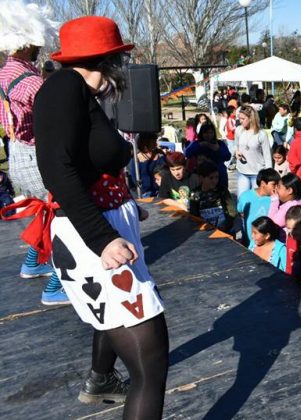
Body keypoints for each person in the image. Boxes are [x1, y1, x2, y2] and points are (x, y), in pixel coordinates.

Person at [33, 16, 168, 417]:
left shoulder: (82, 93)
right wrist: (104, 237)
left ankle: (101, 379)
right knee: (150, 366)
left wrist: (124, 207)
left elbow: (90, 164)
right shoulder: (63, 87)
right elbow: (56, 169)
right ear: (107, 58)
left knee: (141, 354)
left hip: (103, 227)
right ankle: (103, 379)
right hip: (91, 238)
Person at [0, 1, 65, 303]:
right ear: (27, 42)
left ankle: (33, 261)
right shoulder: (28, 79)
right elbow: (53, 108)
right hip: (33, 155)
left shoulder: (6, 72)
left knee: (44, 209)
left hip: (16, 154)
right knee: (69, 212)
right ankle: (59, 282)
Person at [234, 106, 272, 198]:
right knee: (242, 200)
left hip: (257, 173)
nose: (240, 121)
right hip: (242, 172)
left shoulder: (261, 134)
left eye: (243, 118)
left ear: (251, 118)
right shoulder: (239, 130)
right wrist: (236, 152)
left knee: (257, 200)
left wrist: (269, 176)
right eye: (239, 118)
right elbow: (235, 145)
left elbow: (267, 156)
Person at [188, 161, 235, 233]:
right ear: (201, 178)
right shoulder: (195, 194)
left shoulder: (222, 190)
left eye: (217, 177)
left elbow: (232, 211)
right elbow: (194, 216)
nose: (215, 181)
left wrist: (225, 226)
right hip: (206, 231)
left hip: (225, 229)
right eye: (211, 178)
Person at [184, 122, 231, 189]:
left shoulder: (220, 144)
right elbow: (187, 153)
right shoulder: (197, 143)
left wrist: (217, 149)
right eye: (206, 133)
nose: (208, 135)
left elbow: (227, 156)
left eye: (211, 133)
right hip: (202, 175)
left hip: (219, 174)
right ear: (201, 134)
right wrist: (200, 145)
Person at [236, 168, 279, 239]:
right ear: (263, 183)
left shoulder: (275, 199)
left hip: (268, 240)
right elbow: (240, 212)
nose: (276, 188)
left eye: (278, 185)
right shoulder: (245, 196)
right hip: (249, 240)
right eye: (274, 184)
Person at [128, 133, 165, 198]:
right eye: (153, 141)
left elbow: (165, 170)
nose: (156, 144)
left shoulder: (160, 154)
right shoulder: (136, 159)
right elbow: (134, 179)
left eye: (155, 141)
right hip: (146, 192)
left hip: (162, 189)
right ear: (145, 143)